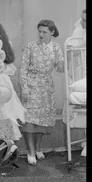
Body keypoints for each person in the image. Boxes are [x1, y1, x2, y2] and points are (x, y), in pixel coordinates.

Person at [19, 19, 64, 166]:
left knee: (42, 120)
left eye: (44, 32)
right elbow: (23, 68)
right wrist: (24, 87)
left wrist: (70, 58)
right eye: (39, 31)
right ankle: (30, 151)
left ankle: (38, 148)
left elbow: (60, 68)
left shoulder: (56, 48)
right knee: (30, 120)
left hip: (46, 87)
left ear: (52, 32)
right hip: (32, 85)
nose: (41, 34)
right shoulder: (31, 46)